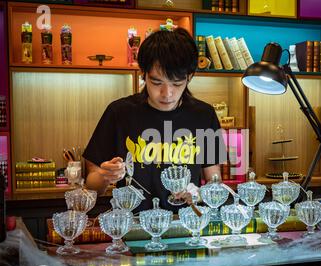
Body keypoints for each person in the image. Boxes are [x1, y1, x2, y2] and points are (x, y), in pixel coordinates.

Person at [83, 27, 226, 212]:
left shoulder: (204, 115)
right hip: (132, 228)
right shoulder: (119, 113)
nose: (167, 94)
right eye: (157, 82)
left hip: (185, 227)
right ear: (144, 74)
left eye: (176, 83)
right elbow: (92, 185)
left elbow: (215, 182)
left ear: (190, 77)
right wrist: (104, 175)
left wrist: (198, 194)